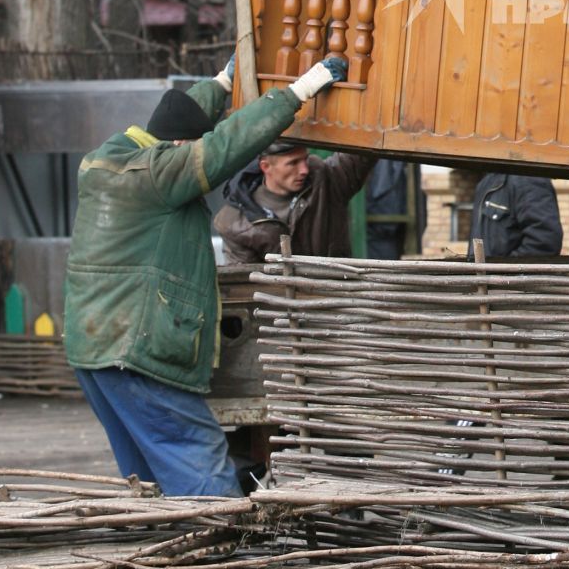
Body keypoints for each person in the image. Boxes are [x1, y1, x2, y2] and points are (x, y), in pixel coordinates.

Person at [64, 55, 349, 496]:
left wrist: (222, 82)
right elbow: (221, 148)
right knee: (197, 454)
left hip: (95, 344)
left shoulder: (110, 157)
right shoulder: (159, 173)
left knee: (149, 470)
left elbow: (175, 119)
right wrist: (298, 92)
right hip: (136, 346)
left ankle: (170, 547)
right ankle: (224, 545)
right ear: (179, 145)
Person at [214, 139, 376, 265]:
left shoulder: (325, 178)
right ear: (266, 167)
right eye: (293, 163)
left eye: (304, 160)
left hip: (335, 297)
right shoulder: (236, 223)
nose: (304, 170)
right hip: (275, 305)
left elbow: (364, 150)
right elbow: (247, 286)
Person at [467, 170, 563, 259]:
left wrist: (504, 272)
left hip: (507, 275)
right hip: (484, 275)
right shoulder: (487, 181)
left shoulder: (527, 178)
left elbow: (544, 241)